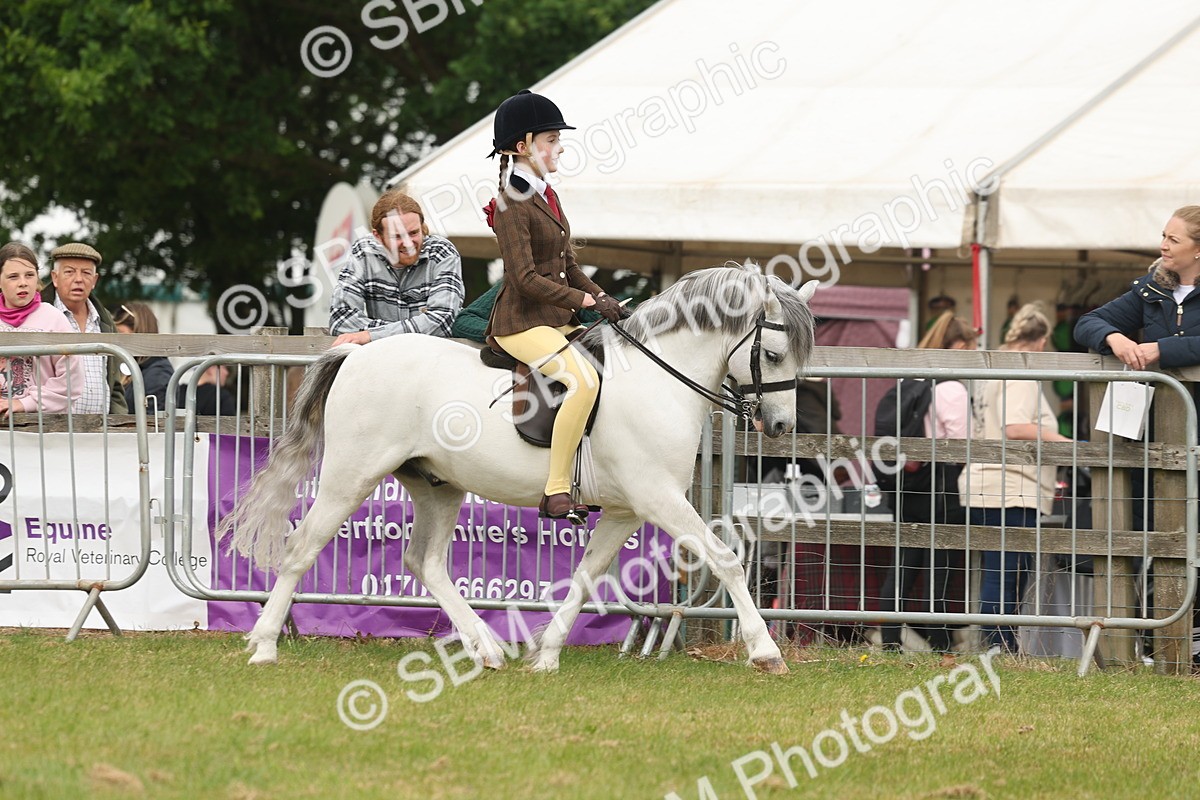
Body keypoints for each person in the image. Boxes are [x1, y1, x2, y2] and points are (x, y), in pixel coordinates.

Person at [481, 89, 628, 521]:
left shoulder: (547, 195)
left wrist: (602, 298)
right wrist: (581, 299)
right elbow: (524, 279)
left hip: (554, 320)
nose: (558, 146)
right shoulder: (510, 203)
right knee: (583, 382)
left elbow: (567, 265)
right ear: (522, 146)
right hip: (521, 323)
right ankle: (557, 488)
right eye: (549, 139)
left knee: (614, 365)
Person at [1074, 204, 1200, 670]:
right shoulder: (1150, 289)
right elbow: (1085, 323)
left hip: (1196, 435)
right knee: (1156, 535)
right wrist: (1114, 339)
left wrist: (1161, 349)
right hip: (1158, 439)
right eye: (1163, 236)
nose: (1162, 245)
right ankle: (1154, 646)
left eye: (1173, 239)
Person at [962, 303, 1071, 654]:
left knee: (1000, 572)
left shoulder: (993, 366)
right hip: (1010, 486)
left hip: (987, 482)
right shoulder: (1021, 371)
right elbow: (1016, 427)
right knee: (1006, 575)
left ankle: (999, 646)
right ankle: (1000, 649)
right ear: (1042, 341)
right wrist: (1070, 444)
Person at [878, 311, 977, 652]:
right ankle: (940, 643)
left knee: (903, 563)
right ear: (960, 346)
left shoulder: (910, 381)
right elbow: (962, 445)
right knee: (940, 566)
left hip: (905, 485)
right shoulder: (951, 388)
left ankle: (889, 642)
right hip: (940, 484)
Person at [328, 191, 465, 346]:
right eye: (397, 236)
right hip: (381, 358)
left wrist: (370, 335)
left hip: (433, 356)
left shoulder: (442, 253)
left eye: (413, 233)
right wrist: (410, 331)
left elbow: (441, 321)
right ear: (377, 236)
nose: (407, 243)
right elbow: (340, 319)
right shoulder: (364, 253)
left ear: (422, 228)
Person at [42, 242, 128, 414]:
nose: (79, 279)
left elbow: (114, 384)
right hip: (52, 429)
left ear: (95, 280)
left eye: (86, 273)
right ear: (54, 277)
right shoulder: (40, 316)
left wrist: (118, 422)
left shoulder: (105, 321)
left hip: (101, 431)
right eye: (69, 272)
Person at [0, 242, 84, 414]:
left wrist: (26, 403)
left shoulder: (54, 318)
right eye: (13, 276)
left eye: (29, 275)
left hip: (44, 431)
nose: (23, 283)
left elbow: (71, 380)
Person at [112, 302, 173, 413]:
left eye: (121, 333)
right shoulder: (130, 366)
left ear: (138, 331)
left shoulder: (157, 372)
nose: (117, 340)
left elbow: (154, 420)